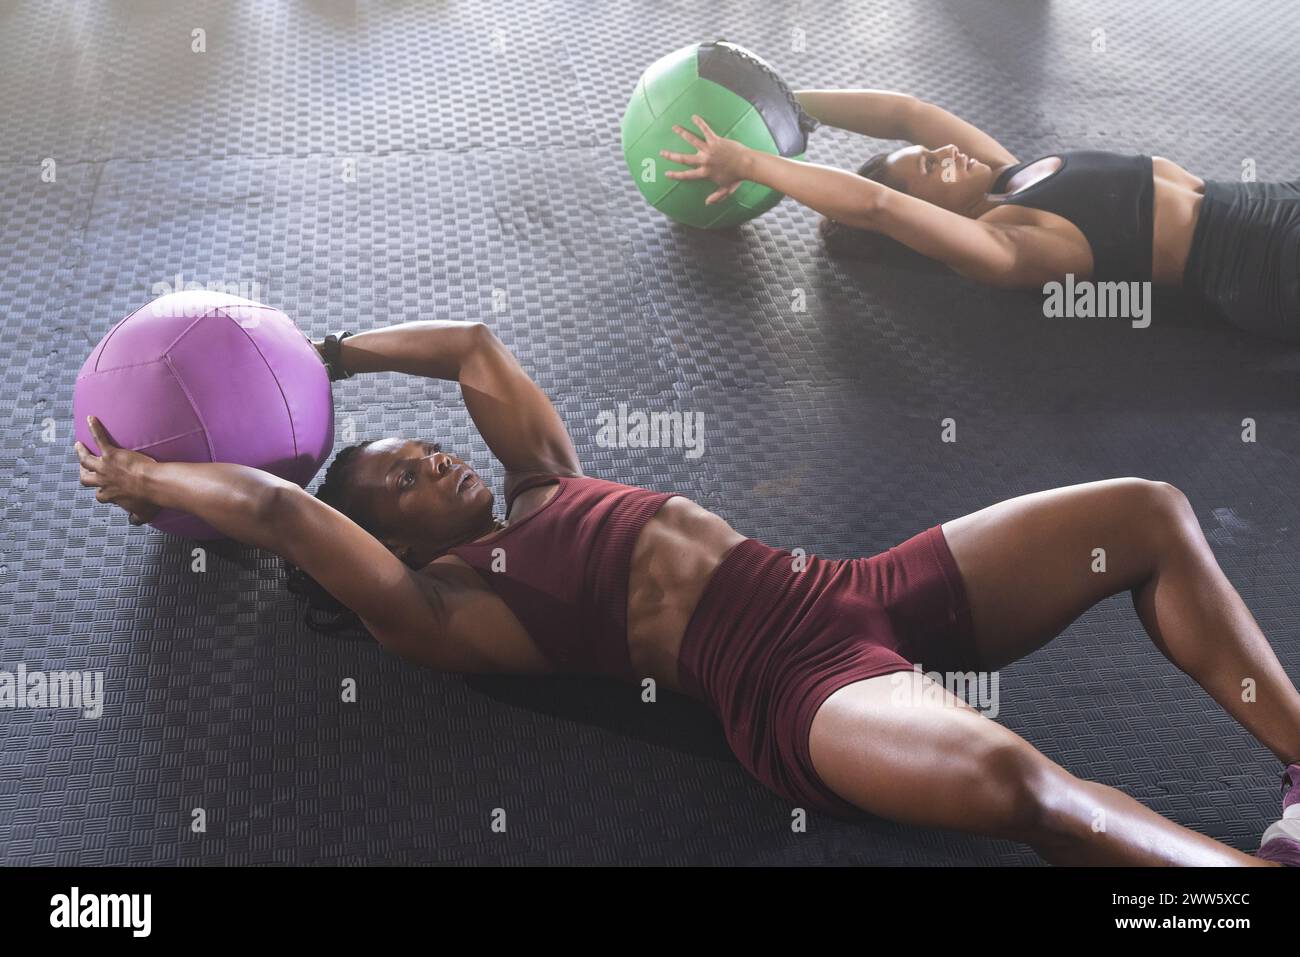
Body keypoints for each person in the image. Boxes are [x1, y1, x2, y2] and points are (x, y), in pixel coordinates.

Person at [74, 319, 1300, 865]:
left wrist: (319, 355)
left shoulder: (540, 481)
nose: (429, 454)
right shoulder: (436, 613)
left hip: (862, 591)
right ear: (377, 535)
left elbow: (472, 350)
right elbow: (286, 514)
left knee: (1140, 512)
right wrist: (143, 471)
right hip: (797, 690)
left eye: (419, 448)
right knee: (1018, 784)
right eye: (398, 475)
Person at [657, 90, 1300, 340]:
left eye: (931, 156)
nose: (944, 153)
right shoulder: (1006, 245)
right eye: (930, 169)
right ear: (928, 217)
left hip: (1268, 201)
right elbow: (878, 206)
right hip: (1269, 264)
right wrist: (748, 163)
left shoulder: (1007, 175)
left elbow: (907, 113)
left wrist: (778, 101)